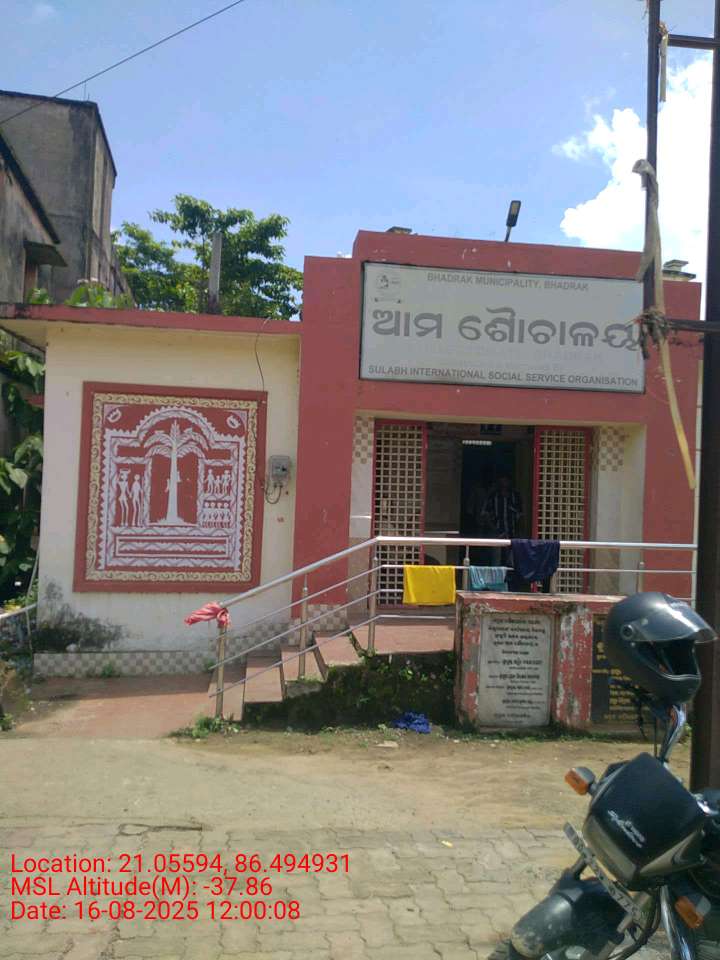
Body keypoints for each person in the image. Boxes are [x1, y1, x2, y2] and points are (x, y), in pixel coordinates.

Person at [482, 476, 522, 564]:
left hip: (512, 532)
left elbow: (520, 515)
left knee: (512, 559)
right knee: (496, 558)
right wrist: (494, 528)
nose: (504, 482)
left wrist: (518, 531)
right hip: (496, 531)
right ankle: (497, 573)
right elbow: (486, 514)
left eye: (506, 480)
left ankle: (510, 572)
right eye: (502, 479)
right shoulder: (493, 496)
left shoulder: (515, 496)